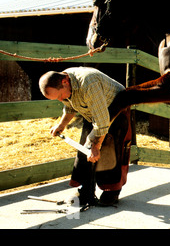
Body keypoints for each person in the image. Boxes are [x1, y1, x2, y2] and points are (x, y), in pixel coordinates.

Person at [39, 67, 132, 208]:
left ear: (65, 82)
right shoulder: (64, 83)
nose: (61, 99)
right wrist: (61, 125)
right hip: (93, 113)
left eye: (59, 96)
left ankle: (111, 191)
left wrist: (96, 146)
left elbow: (102, 123)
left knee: (109, 152)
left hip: (116, 110)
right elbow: (70, 107)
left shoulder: (89, 83)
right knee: (85, 151)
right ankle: (86, 190)